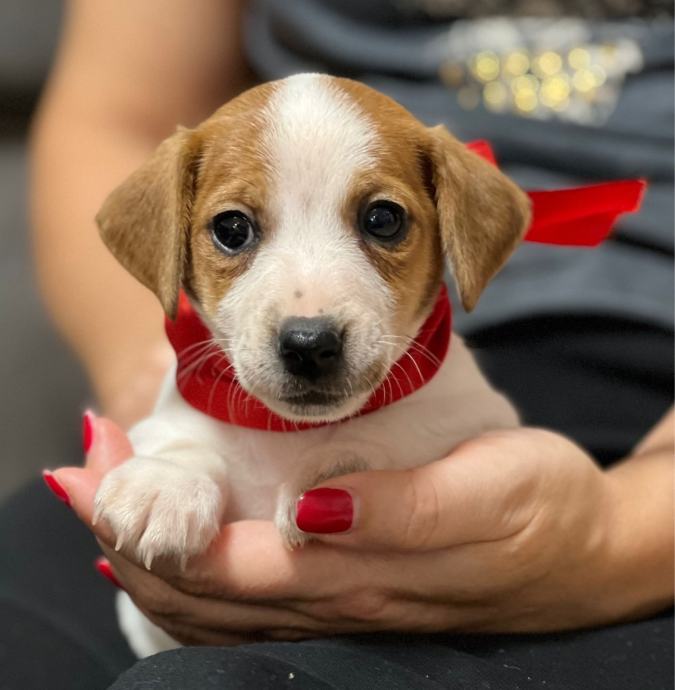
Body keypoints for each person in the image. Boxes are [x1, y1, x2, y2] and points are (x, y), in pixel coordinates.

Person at [1, 1, 671, 687]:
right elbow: (115, 116)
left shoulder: (466, 410)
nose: (309, 321)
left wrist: (614, 536)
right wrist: (172, 447)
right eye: (234, 230)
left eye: (382, 222)